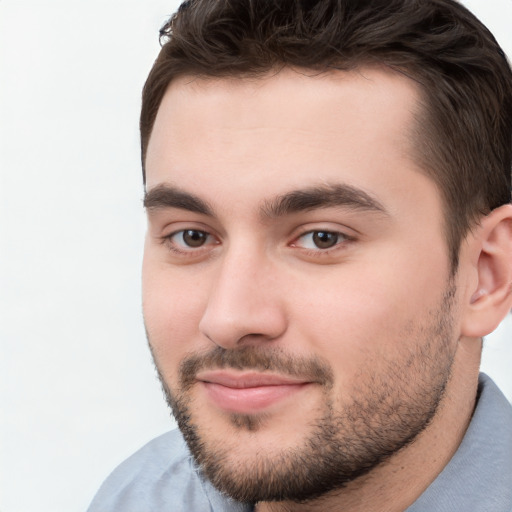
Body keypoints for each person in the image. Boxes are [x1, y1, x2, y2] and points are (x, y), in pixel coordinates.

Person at [88, 0, 512, 510]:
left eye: (321, 239)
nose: (228, 319)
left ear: (486, 275)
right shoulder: (142, 496)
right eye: (192, 237)